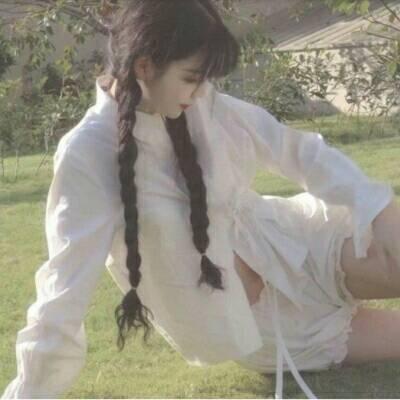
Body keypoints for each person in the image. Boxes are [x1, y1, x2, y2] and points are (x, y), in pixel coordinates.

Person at [2, 0, 400, 398]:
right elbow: (63, 292)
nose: (201, 91)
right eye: (192, 77)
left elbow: (298, 151)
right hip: (266, 326)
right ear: (144, 66)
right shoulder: (88, 153)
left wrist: (376, 208)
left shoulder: (200, 102)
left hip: (294, 247)